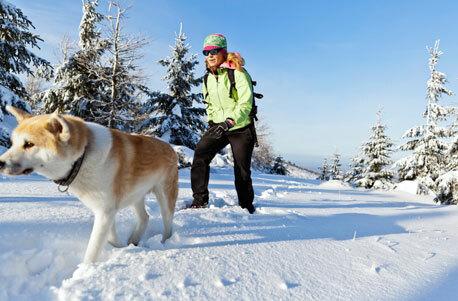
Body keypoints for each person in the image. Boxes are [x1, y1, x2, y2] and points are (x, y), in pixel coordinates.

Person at [190, 33, 256, 214]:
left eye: (214, 50)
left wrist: (230, 121)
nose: (210, 55)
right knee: (200, 155)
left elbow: (245, 103)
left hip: (240, 127)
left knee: (241, 168)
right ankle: (199, 200)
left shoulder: (238, 73)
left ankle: (246, 206)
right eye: (206, 52)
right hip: (218, 125)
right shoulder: (207, 78)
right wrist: (212, 120)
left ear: (223, 52)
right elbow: (209, 103)